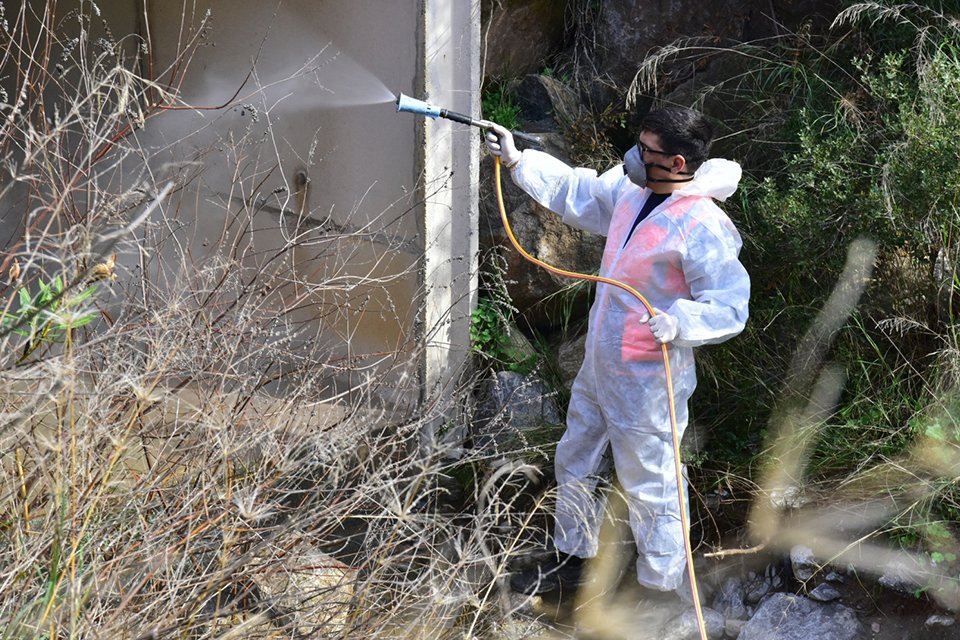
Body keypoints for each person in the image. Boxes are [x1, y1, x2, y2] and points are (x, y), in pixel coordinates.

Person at [484, 106, 750, 599]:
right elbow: (580, 191)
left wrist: (681, 322)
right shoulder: (633, 191)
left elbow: (730, 305)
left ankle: (661, 590)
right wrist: (519, 162)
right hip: (601, 361)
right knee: (577, 454)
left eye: (645, 150)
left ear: (675, 163)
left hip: (650, 375)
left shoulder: (702, 225)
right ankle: (570, 561)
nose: (633, 155)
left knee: (653, 480)